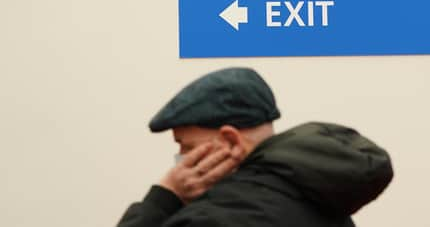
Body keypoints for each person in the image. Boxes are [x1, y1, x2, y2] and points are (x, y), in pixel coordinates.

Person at [117, 67, 393, 227]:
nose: (181, 160)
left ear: (230, 140)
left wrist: (164, 197)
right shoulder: (325, 204)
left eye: (187, 147)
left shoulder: (212, 219)